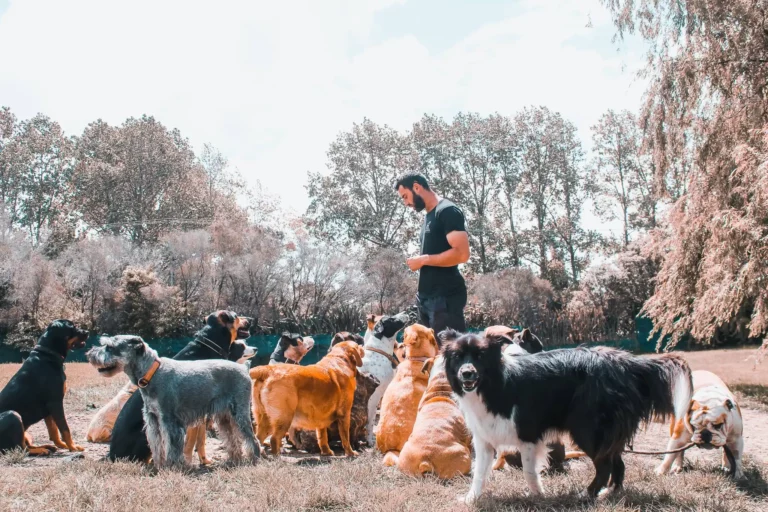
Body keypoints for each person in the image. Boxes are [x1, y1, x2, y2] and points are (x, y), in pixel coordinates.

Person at [394, 171, 470, 334]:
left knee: (448, 357)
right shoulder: (428, 216)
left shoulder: (447, 211)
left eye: (405, 196)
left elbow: (462, 254)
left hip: (445, 299)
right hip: (426, 300)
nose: (405, 203)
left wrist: (424, 260)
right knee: (431, 358)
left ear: (416, 187)